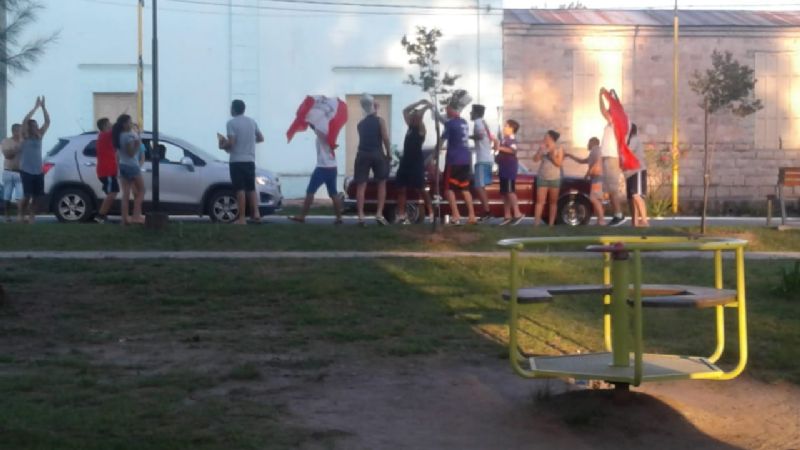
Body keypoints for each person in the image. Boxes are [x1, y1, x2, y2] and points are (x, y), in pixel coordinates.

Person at [218, 99, 265, 225]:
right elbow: (261, 138)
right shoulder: (252, 122)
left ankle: (242, 218)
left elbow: (232, 142)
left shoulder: (231, 123)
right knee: (251, 188)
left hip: (236, 161)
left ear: (234, 109)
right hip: (250, 160)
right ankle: (256, 214)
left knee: (240, 189)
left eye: (231, 107)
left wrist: (222, 144)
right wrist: (248, 142)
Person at [288, 124, 343, 225]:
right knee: (333, 193)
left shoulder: (322, 131)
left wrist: (308, 118)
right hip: (332, 167)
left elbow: (314, 126)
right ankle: (339, 218)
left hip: (322, 168)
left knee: (310, 191)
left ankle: (302, 216)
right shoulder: (330, 133)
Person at [435, 91, 477, 226]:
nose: (446, 110)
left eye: (448, 108)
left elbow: (441, 142)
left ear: (453, 110)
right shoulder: (464, 122)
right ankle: (472, 216)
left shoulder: (450, 124)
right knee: (465, 189)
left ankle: (456, 215)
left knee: (448, 189)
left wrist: (434, 155)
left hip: (453, 160)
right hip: (465, 159)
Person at [394, 100, 434, 225]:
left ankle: (431, 212)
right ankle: (401, 215)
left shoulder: (421, 130)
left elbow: (419, 115)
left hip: (416, 163)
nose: (411, 117)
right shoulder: (410, 127)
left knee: (421, 188)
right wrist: (419, 102)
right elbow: (405, 110)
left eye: (414, 116)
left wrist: (426, 107)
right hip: (405, 162)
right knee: (401, 188)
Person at [354, 94, 391, 226]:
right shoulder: (380, 121)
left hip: (362, 154)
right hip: (377, 153)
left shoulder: (360, 124)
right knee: (381, 183)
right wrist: (389, 153)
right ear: (373, 107)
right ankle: (379, 214)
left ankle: (360, 216)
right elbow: (385, 138)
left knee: (361, 185)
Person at [19, 97, 50, 224]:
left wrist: (43, 108)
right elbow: (25, 120)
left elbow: (47, 122)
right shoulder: (25, 137)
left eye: (36, 125)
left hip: (38, 170)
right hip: (26, 170)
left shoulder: (39, 136)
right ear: (29, 128)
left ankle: (31, 216)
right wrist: (35, 107)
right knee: (27, 196)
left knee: (37, 197)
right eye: (33, 126)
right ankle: (21, 214)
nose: (36, 127)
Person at [599, 88, 627, 227]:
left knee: (613, 189)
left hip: (612, 158)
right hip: (607, 158)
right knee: (609, 190)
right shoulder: (612, 120)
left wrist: (601, 96)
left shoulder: (615, 119)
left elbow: (603, 111)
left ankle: (619, 215)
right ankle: (616, 214)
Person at [113, 114, 145, 225]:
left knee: (125, 194)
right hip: (132, 166)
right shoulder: (128, 136)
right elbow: (131, 153)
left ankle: (124, 220)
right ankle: (136, 216)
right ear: (124, 124)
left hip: (122, 165)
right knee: (141, 191)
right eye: (129, 122)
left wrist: (136, 135)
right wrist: (138, 142)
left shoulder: (119, 135)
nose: (131, 123)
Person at [567, 137, 606, 226]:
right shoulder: (594, 152)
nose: (587, 145)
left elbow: (597, 162)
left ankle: (601, 221)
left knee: (593, 198)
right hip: (597, 178)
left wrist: (588, 174)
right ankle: (600, 220)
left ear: (593, 142)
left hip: (597, 178)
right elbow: (582, 161)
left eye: (588, 142)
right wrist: (570, 156)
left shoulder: (596, 150)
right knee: (598, 199)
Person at [533, 130, 564, 227]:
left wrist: (552, 155)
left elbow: (559, 163)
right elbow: (535, 160)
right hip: (542, 177)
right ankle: (536, 224)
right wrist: (540, 153)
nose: (544, 138)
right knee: (539, 202)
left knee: (553, 202)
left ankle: (551, 225)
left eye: (546, 137)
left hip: (554, 178)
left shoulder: (559, 148)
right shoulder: (542, 147)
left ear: (551, 138)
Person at [496, 119, 524, 226]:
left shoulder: (511, 139)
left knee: (510, 191)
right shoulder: (504, 139)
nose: (504, 127)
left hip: (509, 169)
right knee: (504, 193)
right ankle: (507, 215)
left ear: (512, 129)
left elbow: (513, 150)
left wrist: (499, 147)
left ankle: (517, 213)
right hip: (503, 168)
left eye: (506, 126)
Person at [470, 104, 493, 221]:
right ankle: (486, 210)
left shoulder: (478, 122)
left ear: (476, 113)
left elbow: (480, 135)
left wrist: (468, 137)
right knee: (481, 187)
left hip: (482, 159)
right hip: (486, 158)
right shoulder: (484, 123)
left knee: (479, 186)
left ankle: (487, 211)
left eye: (471, 111)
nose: (470, 113)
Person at [94, 118, 118, 224]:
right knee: (112, 193)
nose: (111, 125)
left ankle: (103, 214)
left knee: (112, 192)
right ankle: (100, 216)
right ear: (104, 126)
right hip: (107, 171)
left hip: (109, 171)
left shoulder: (105, 137)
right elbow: (116, 130)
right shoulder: (104, 135)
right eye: (109, 124)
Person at [626, 124, 650, 227]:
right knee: (632, 197)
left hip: (637, 171)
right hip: (630, 172)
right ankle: (635, 222)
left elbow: (628, 152)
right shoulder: (630, 141)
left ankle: (644, 221)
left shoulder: (634, 139)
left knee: (637, 195)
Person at [2, 123, 24, 222]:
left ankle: (20, 216)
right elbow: (7, 155)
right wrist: (17, 149)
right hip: (8, 172)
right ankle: (7, 215)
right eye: (19, 130)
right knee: (7, 195)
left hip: (20, 172)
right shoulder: (6, 141)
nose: (21, 133)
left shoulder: (24, 142)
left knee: (20, 195)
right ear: (14, 131)